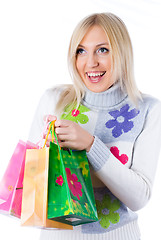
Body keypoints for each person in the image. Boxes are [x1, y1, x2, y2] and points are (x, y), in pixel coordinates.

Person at [28, 12, 161, 240]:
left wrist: (91, 145)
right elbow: (31, 188)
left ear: (122, 53)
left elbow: (139, 198)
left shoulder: (148, 109)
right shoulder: (55, 100)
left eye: (103, 50)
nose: (91, 63)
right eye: (81, 51)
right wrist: (45, 151)